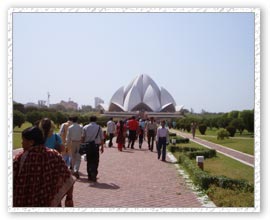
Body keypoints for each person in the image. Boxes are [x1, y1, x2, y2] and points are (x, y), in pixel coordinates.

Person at [13, 126, 75, 207]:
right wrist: (69, 198)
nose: (22, 143)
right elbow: (68, 179)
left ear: (31, 142)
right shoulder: (55, 155)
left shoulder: (21, 157)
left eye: (23, 140)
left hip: (25, 203)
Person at [81, 116, 104, 182]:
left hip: (88, 146)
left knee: (89, 161)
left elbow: (82, 137)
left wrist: (82, 146)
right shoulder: (99, 127)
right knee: (95, 161)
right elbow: (102, 138)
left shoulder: (85, 127)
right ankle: (94, 173)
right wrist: (102, 147)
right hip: (96, 146)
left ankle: (89, 175)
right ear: (96, 120)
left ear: (90, 120)